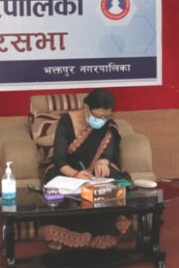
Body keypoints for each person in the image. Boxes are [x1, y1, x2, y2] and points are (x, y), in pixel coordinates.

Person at [37, 89, 134, 250]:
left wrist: (104, 161)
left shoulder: (109, 125)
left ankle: (103, 231)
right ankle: (66, 233)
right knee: (53, 181)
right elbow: (59, 158)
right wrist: (75, 174)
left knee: (115, 182)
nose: (102, 120)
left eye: (106, 116)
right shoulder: (66, 121)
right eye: (98, 116)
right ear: (86, 108)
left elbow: (109, 151)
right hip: (67, 169)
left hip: (94, 170)